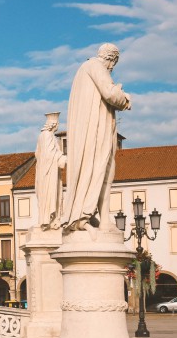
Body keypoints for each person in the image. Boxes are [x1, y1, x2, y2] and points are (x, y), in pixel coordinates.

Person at [60, 43, 131, 233]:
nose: (112, 68)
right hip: (96, 130)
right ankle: (86, 216)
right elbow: (109, 94)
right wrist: (124, 97)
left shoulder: (86, 69)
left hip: (96, 128)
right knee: (101, 170)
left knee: (104, 171)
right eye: (114, 63)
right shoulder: (95, 66)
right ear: (113, 59)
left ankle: (94, 216)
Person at [35, 112, 67, 230]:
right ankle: (49, 220)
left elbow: (37, 154)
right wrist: (62, 157)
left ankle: (48, 219)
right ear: (53, 124)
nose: (58, 125)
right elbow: (49, 154)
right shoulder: (47, 135)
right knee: (51, 195)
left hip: (45, 171)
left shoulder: (42, 136)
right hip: (49, 173)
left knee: (49, 196)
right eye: (57, 123)